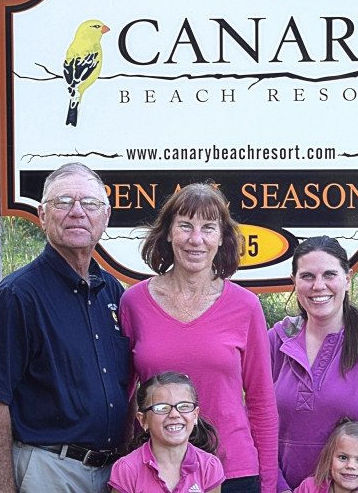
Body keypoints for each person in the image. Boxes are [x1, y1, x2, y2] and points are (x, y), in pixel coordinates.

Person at [0, 162, 129, 493]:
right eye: (64, 202)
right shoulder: (17, 297)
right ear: (42, 215)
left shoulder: (112, 292)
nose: (78, 212)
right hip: (51, 472)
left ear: (106, 216)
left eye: (90, 203)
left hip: (113, 474)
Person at [119, 182, 278, 493]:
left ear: (221, 238)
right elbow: (125, 396)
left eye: (208, 228)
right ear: (167, 232)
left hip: (233, 470)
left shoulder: (245, 306)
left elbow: (261, 401)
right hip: (156, 473)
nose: (196, 239)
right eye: (185, 226)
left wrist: (268, 482)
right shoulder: (134, 303)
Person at [269, 236, 358, 493]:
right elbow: (257, 422)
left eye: (329, 275)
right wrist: (278, 488)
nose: (318, 286)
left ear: (347, 279)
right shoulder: (276, 340)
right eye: (307, 276)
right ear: (293, 282)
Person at [109, 371, 225, 493]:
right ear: (143, 420)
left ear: (195, 415)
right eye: (162, 408)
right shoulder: (126, 469)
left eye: (184, 406)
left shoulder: (209, 466)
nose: (174, 414)